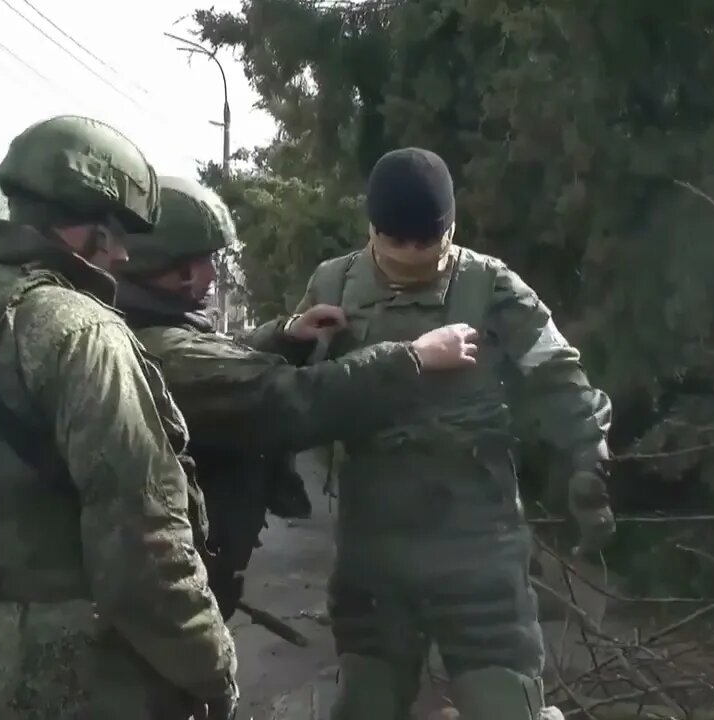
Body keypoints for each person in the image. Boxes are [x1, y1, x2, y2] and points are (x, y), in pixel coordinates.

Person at [0, 116, 237, 720]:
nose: (123, 255)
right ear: (91, 231)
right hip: (78, 678)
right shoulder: (83, 331)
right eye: (119, 235)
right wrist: (212, 667)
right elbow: (144, 541)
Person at [254, 148, 615, 719]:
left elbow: (557, 372)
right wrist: (291, 338)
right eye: (401, 243)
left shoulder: (491, 285)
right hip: (375, 547)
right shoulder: (334, 282)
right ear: (373, 230)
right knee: (365, 700)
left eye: (430, 242)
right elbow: (290, 392)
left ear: (452, 226)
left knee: (506, 702)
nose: (416, 256)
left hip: (479, 545)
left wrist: (588, 459)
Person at [112, 176, 483, 623]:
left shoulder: (148, 328)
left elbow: (223, 366)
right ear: (171, 268)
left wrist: (285, 336)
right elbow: (290, 399)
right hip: (168, 604)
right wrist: (414, 359)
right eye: (203, 261)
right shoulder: (164, 351)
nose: (214, 274)